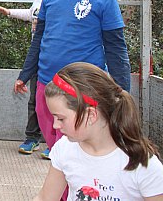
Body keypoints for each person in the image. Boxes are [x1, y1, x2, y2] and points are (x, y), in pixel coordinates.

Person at [15, 0, 131, 162]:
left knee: (81, 157)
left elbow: (116, 49)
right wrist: (25, 75)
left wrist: (122, 91)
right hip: (47, 87)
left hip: (84, 90)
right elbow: (39, 40)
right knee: (58, 154)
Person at [34, 62, 163, 201]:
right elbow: (45, 197)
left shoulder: (141, 163)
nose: (55, 126)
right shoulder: (64, 149)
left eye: (60, 118)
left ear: (90, 116)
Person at [0, 0, 59, 157]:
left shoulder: (64, 3)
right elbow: (29, 14)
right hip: (39, 60)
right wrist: (9, 12)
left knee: (58, 101)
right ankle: (32, 138)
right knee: (36, 101)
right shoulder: (39, 2)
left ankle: (55, 143)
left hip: (58, 62)